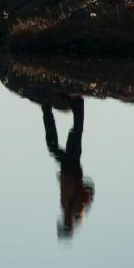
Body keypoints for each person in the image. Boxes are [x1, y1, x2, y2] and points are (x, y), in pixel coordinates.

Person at [41, 97, 95, 239]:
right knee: (75, 132)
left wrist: (61, 180)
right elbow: (89, 191)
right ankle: (77, 105)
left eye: (63, 223)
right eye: (65, 224)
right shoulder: (78, 211)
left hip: (67, 168)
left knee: (55, 144)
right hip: (73, 168)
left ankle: (47, 108)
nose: (64, 221)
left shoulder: (67, 209)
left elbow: (65, 190)